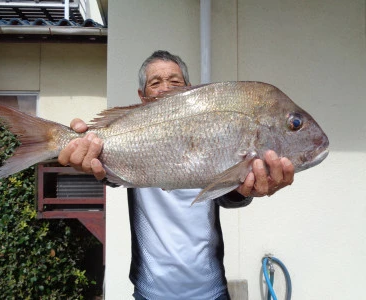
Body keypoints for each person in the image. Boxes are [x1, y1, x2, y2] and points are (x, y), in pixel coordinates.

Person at [58, 50, 294, 300]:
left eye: (175, 82)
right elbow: (106, 172)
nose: (165, 89)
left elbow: (228, 194)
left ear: (190, 90)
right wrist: (82, 152)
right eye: (155, 83)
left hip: (210, 292)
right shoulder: (133, 134)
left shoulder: (210, 133)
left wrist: (246, 187)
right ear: (142, 97)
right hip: (149, 293)